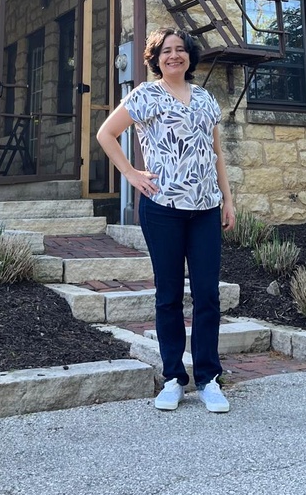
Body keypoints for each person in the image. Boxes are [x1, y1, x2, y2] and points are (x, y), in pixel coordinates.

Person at [97, 26, 236, 413]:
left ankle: (209, 378)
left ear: (190, 57)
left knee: (208, 294)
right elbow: (106, 134)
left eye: (180, 50)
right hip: (163, 209)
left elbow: (216, 153)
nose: (174, 56)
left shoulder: (207, 99)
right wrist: (131, 174)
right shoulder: (145, 95)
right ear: (156, 59)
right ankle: (173, 377)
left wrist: (228, 199)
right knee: (169, 295)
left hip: (206, 208)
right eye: (166, 51)